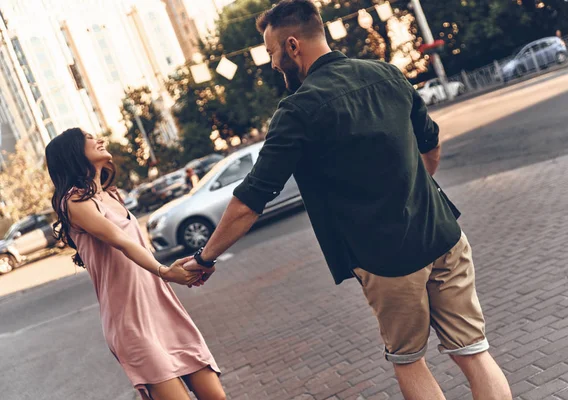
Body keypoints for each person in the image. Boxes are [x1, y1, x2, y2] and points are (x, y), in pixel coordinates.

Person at [184, 1, 512, 399]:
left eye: (271, 53)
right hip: (444, 236)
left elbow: (250, 201)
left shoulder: (297, 111)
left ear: (292, 46)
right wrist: (411, 191)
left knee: (409, 360)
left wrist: (204, 259)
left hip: (388, 260)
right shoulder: (387, 74)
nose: (271, 64)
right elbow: (431, 146)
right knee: (475, 353)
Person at [45, 128, 225, 400]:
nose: (99, 139)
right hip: (130, 321)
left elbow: (139, 249)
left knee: (216, 397)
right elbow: (121, 241)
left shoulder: (112, 196)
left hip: (161, 307)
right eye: (89, 138)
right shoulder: (73, 201)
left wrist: (179, 268)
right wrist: (165, 272)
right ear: (73, 152)